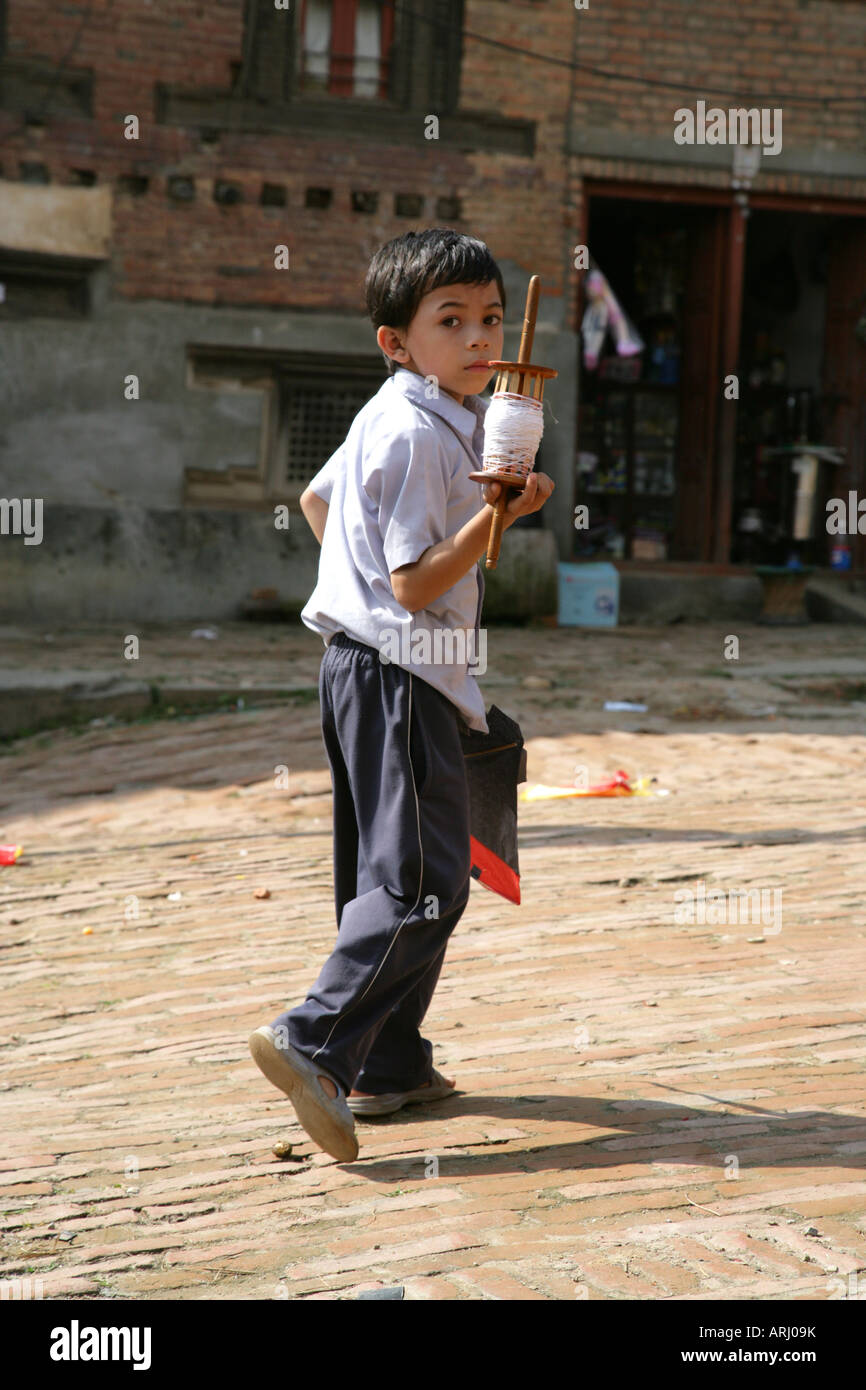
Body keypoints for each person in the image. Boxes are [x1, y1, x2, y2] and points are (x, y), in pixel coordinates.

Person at [249, 228, 555, 1161]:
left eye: (491, 320)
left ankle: (387, 1065)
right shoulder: (423, 433)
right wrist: (495, 514)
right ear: (396, 341)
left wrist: (354, 591)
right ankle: (317, 1040)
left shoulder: (402, 412)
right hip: (401, 673)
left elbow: (318, 503)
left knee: (382, 876)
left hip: (360, 667)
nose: (477, 339)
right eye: (449, 320)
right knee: (425, 882)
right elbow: (420, 581)